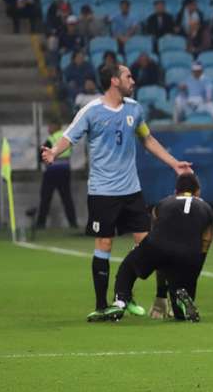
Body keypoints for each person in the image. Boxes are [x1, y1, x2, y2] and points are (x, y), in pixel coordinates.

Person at [41, 64, 192, 322]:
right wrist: (54, 152)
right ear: (114, 81)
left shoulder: (134, 108)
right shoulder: (91, 111)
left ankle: (134, 295)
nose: (132, 80)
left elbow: (148, 139)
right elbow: (70, 136)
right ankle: (102, 306)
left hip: (131, 190)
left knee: (149, 245)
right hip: (102, 191)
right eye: (128, 76)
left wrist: (173, 163)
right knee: (105, 244)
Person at [110, 173, 213, 322]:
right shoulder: (207, 208)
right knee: (180, 305)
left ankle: (120, 301)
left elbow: (157, 237)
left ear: (175, 191)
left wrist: (160, 294)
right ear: (198, 191)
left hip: (158, 246)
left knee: (128, 267)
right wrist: (194, 272)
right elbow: (206, 241)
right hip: (190, 255)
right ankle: (180, 298)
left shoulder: (163, 203)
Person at [36, 121, 78, 229]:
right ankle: (73, 223)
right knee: (67, 198)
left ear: (55, 126)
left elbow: (41, 156)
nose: (48, 128)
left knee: (45, 197)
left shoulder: (51, 139)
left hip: (52, 171)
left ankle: (41, 224)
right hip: (65, 171)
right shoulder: (66, 137)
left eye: (50, 125)